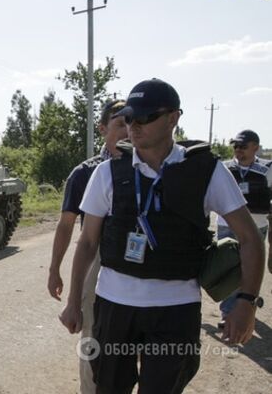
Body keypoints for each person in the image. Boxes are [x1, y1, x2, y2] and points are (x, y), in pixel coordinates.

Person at [59, 78, 264, 394]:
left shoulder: (206, 171)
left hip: (175, 310)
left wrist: (247, 304)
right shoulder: (108, 172)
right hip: (114, 307)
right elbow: (87, 243)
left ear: (173, 118)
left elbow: (250, 238)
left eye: (145, 117)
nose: (134, 126)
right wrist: (74, 302)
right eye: (129, 118)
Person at [47, 99, 127, 394]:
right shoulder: (85, 173)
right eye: (120, 123)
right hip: (98, 261)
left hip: (139, 268)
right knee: (93, 338)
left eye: (133, 122)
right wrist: (55, 270)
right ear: (103, 128)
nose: (128, 131)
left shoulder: (150, 167)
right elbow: (67, 225)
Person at [216, 129, 271, 325]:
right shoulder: (224, 168)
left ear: (255, 148)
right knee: (229, 269)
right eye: (236, 146)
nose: (238, 150)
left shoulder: (267, 170)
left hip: (256, 227)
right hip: (226, 226)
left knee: (249, 268)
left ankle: (246, 305)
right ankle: (228, 312)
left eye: (243, 146)